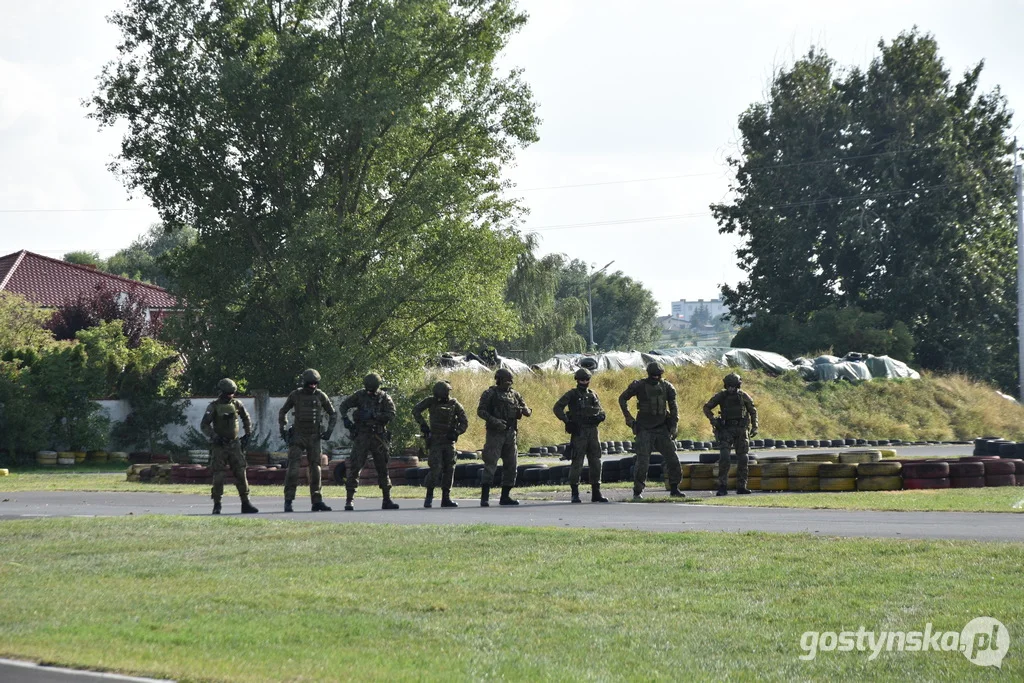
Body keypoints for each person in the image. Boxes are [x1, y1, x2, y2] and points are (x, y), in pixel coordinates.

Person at [618, 361, 685, 500]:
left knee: (672, 458)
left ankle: (674, 488)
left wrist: (674, 425)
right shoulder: (639, 385)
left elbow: (674, 407)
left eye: (659, 375)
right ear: (649, 374)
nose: (656, 377)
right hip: (644, 428)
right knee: (642, 461)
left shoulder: (667, 387)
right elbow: (622, 399)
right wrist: (629, 419)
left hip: (662, 428)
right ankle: (637, 491)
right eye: (654, 375)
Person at [278, 368, 337, 512]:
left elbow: (333, 413)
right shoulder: (295, 395)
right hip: (298, 436)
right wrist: (283, 429)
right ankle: (288, 501)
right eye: (310, 383)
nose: (313, 386)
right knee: (293, 468)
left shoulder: (320, 396)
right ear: (305, 382)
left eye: (315, 383)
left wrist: (329, 431)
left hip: (314, 437)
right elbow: (283, 411)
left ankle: (317, 501)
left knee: (316, 469)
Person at [339, 373, 399, 511]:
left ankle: (387, 499)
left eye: (371, 390)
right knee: (355, 467)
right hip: (362, 436)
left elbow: (391, 414)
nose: (369, 392)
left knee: (382, 468)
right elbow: (343, 406)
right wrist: (346, 419)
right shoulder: (359, 395)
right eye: (367, 389)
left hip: (378, 436)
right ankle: (349, 500)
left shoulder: (384, 397)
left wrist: (374, 415)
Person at [200, 378, 259, 515]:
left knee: (241, 472)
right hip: (219, 445)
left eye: (232, 393)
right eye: (227, 393)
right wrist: (214, 437)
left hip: (235, 444)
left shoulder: (237, 404)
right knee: (219, 475)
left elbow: (246, 417)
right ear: (221, 392)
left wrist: (248, 434)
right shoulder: (213, 407)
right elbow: (204, 425)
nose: (230, 396)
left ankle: (246, 502)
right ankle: (217, 504)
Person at [477, 367, 532, 506]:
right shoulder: (490, 393)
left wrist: (525, 410)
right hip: (495, 434)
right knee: (490, 464)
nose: (509, 383)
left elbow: (526, 410)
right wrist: (495, 421)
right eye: (506, 380)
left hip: (510, 433)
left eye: (510, 380)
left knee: (511, 465)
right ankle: (485, 498)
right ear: (499, 380)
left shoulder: (515, 394)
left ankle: (505, 496)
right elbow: (481, 411)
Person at [553, 368, 609, 503]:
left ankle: (596, 492)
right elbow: (557, 407)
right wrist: (567, 421)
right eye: (582, 379)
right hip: (579, 431)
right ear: (577, 380)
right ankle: (575, 493)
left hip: (593, 431)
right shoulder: (572, 394)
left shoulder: (593, 394)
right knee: (577, 462)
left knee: (596, 461)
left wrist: (601, 416)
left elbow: (600, 410)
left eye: (587, 379)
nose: (585, 382)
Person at [412, 380, 469, 508]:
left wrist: (456, 432)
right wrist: (423, 425)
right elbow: (416, 410)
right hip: (436, 442)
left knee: (450, 469)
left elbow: (464, 422)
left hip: (449, 442)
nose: (448, 394)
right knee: (435, 468)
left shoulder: (454, 404)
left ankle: (446, 498)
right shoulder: (430, 401)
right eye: (446, 391)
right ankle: (429, 497)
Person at [703, 372, 757, 496]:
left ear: (738, 386)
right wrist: (713, 420)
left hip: (741, 429)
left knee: (743, 458)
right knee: (725, 458)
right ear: (726, 386)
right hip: (725, 429)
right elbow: (707, 407)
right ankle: (722, 486)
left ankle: (742, 486)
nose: (731, 389)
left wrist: (755, 427)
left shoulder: (744, 396)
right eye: (729, 386)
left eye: (734, 386)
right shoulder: (721, 396)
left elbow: (753, 411)